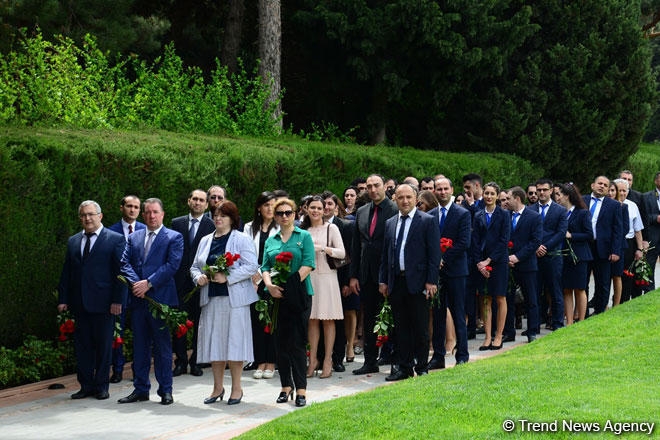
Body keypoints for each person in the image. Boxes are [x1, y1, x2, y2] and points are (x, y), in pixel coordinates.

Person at [190, 201, 259, 405]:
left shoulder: (242, 239)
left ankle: (237, 388)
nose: (218, 218)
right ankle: (217, 388)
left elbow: (251, 266)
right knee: (215, 343)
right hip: (210, 298)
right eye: (215, 215)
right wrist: (198, 278)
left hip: (235, 300)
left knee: (235, 343)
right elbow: (194, 266)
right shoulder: (205, 240)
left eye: (223, 215)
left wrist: (227, 277)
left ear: (232, 218)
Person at [57, 200, 126, 400]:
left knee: (104, 347)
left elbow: (121, 273)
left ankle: (102, 386)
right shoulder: (73, 241)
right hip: (80, 304)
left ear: (100, 216)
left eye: (90, 214)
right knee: (83, 347)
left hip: (104, 304)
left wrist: (117, 301)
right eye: (83, 215)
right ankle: (85, 385)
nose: (87, 218)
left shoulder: (115, 239)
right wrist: (63, 299)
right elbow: (67, 273)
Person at [119, 198, 184, 405]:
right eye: (147, 212)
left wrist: (149, 283)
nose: (151, 216)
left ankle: (165, 390)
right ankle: (140, 389)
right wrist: (137, 283)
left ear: (163, 214)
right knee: (140, 347)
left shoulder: (174, 237)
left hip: (161, 301)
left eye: (155, 212)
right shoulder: (134, 237)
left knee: (163, 348)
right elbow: (124, 262)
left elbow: (172, 265)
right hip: (138, 301)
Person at [379, 184, 440, 380]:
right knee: (401, 327)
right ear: (395, 199)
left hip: (419, 282)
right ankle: (404, 368)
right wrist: (383, 280)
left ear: (415, 199)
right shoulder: (390, 223)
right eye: (401, 197)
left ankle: (421, 367)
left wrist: (431, 281)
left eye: (408, 197)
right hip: (396, 282)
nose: (405, 201)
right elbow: (385, 255)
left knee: (420, 327)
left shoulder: (427, 221)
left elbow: (434, 254)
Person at [261, 198, 315, 408]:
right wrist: (270, 286)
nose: (284, 216)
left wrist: (289, 285)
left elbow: (309, 263)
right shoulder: (271, 240)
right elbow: (265, 266)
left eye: (288, 212)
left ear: (295, 214)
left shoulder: (304, 236)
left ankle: (301, 389)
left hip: (299, 294)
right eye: (280, 213)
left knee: (297, 342)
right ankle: (286, 386)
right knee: (280, 343)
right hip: (276, 295)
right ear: (275, 216)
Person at [350, 174, 399, 375]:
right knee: (369, 318)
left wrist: (388, 276)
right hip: (366, 274)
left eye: (376, 185)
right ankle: (370, 361)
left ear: (384, 187)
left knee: (394, 318)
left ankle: (397, 361)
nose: (372, 189)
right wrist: (353, 275)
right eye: (369, 186)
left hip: (388, 273)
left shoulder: (395, 210)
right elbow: (356, 246)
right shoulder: (361, 212)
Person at [170, 189, 215, 377]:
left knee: (200, 324)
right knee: (178, 323)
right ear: (189, 201)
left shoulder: (212, 225)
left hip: (201, 283)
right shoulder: (176, 223)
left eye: (201, 200)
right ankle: (180, 361)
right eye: (194, 199)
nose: (197, 202)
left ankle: (196, 361)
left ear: (206, 204)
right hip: (179, 282)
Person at [427, 177, 471, 368]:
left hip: (456, 271)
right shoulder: (429, 215)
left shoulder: (462, 213)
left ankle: (462, 354)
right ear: (434, 191)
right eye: (439, 189)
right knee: (437, 314)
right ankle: (438, 356)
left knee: (458, 312)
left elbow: (464, 242)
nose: (442, 192)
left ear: (452, 190)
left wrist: (444, 259)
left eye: (446, 188)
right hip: (436, 274)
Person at [301, 195, 345, 379]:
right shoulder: (302, 230)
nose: (316, 211)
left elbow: (342, 252)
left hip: (327, 278)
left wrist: (323, 248)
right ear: (306, 209)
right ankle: (313, 361)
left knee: (328, 320)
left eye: (319, 208)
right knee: (312, 319)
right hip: (309, 278)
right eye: (313, 207)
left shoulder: (331, 228)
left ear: (324, 210)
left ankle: (328, 359)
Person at [107, 195, 145, 383]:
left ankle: (139, 370)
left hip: (140, 289)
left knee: (140, 331)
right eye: (129, 206)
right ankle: (118, 369)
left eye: (136, 207)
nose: (132, 210)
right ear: (121, 207)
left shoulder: (146, 231)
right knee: (117, 331)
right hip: (118, 288)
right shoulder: (109, 232)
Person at [243, 192, 279, 380]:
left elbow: (279, 255)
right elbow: (244, 252)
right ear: (259, 207)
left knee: (271, 321)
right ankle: (259, 361)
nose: (270, 208)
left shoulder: (280, 227)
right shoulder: (249, 227)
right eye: (266, 205)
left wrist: (265, 277)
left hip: (272, 278)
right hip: (252, 279)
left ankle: (271, 362)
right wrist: (253, 275)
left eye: (273, 205)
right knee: (256, 322)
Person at [471, 183, 510, 350]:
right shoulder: (478, 214)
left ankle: (499, 335)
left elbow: (504, 240)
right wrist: (480, 263)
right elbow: (475, 240)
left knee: (500, 297)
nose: (488, 196)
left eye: (492, 193)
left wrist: (489, 260)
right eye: (486, 193)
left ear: (497, 195)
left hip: (499, 261)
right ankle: (487, 336)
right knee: (485, 298)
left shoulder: (504, 214)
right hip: (481, 263)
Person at [321, 191, 353, 372]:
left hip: (340, 280)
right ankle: (320, 357)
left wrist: (348, 282)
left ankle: (337, 358)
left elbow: (350, 254)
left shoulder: (345, 226)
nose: (326, 208)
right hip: (318, 279)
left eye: (329, 204)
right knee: (319, 319)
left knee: (337, 320)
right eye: (323, 204)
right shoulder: (310, 227)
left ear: (336, 207)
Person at [505, 187, 542, 342]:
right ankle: (509, 331)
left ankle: (532, 330)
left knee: (530, 298)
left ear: (517, 199)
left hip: (526, 264)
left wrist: (518, 257)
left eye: (508, 198)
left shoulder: (534, 217)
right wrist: (507, 257)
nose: (506, 202)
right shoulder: (505, 216)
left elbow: (535, 241)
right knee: (508, 298)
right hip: (508, 265)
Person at [584, 176, 623, 315]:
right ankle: (583, 313)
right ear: (592, 185)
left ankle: (600, 312)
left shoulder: (614, 205)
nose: (602, 186)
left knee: (603, 283)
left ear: (608, 190)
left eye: (605, 185)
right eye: (599, 183)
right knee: (583, 281)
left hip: (604, 249)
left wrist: (615, 251)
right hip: (584, 246)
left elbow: (618, 230)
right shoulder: (582, 201)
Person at [556, 183, 592, 324]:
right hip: (564, 255)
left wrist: (572, 236)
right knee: (566, 289)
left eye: (559, 194)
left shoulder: (582, 212)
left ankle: (581, 320)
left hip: (580, 256)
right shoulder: (560, 213)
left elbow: (589, 234)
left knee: (580, 288)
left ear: (567, 196)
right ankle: (569, 321)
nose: (557, 197)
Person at [534, 178, 568, 330]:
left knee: (555, 291)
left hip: (553, 255)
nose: (541, 192)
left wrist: (545, 247)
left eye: (544, 190)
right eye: (539, 190)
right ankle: (534, 325)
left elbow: (561, 233)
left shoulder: (560, 210)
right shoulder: (530, 209)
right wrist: (535, 247)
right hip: (533, 256)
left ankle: (557, 323)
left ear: (551, 190)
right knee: (534, 291)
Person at [613, 178, 645, 304]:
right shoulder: (609, 204)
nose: (622, 193)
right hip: (613, 243)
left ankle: (623, 302)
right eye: (619, 190)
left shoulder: (632, 205)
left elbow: (638, 230)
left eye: (624, 191)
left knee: (626, 276)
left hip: (628, 244)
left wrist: (639, 249)